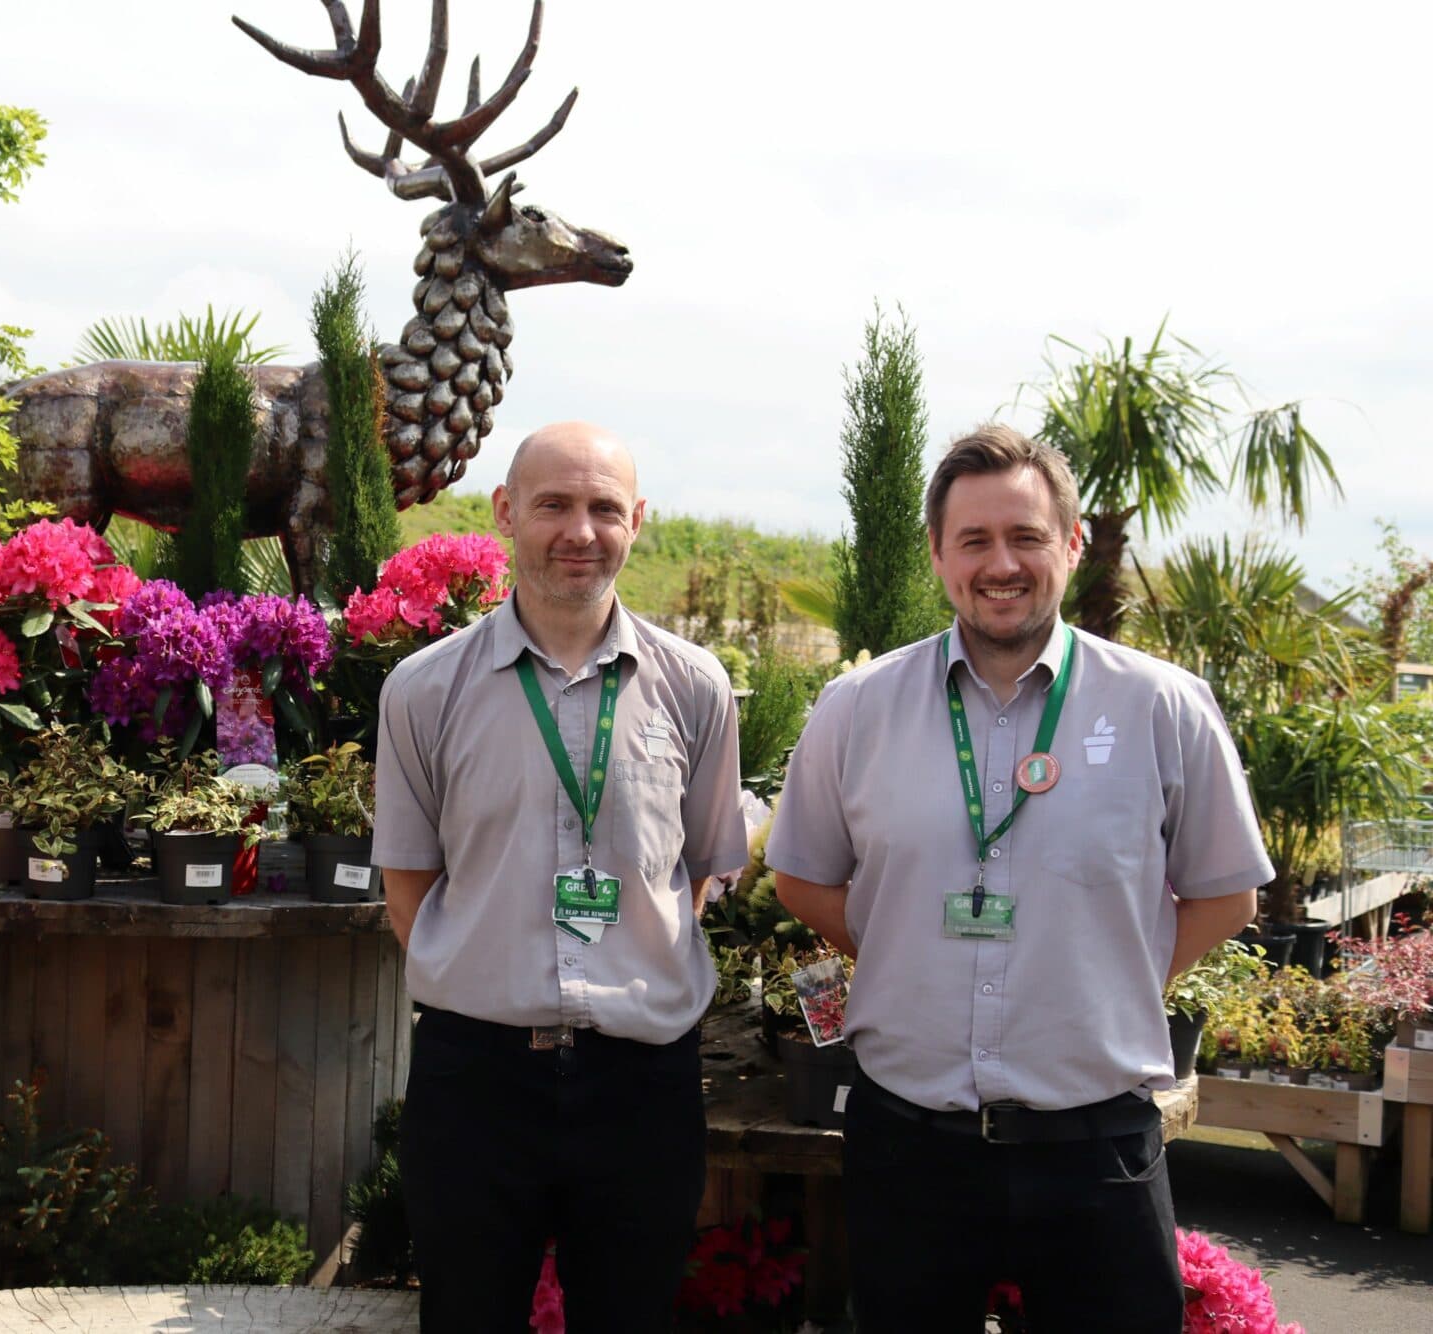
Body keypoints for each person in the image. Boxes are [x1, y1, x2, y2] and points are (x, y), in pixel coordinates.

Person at [765, 423, 1271, 1333]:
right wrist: (906, 951)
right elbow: (802, 879)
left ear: (1071, 546)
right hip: (909, 1146)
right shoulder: (858, 708)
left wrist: (1109, 977)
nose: (1002, 563)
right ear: (938, 553)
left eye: (1027, 537)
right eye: (975, 540)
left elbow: (1226, 895)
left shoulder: (1163, 706)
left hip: (1097, 1148)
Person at [373, 421, 749, 1331]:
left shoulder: (695, 688)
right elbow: (410, 887)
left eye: (604, 509)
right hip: (477, 1082)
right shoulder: (426, 689)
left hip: (642, 1087)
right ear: (506, 512)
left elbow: (694, 874)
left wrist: (626, 968)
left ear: (638, 521)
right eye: (554, 505)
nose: (580, 531)